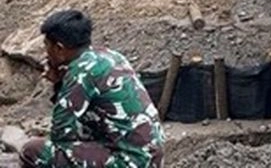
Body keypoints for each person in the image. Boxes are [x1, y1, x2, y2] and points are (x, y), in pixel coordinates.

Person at [19, 10, 164, 168]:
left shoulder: (81, 72)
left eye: (47, 46)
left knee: (33, 151)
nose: (46, 54)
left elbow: (61, 134)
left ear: (59, 48)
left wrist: (58, 83)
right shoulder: (110, 56)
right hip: (150, 155)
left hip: (130, 161)